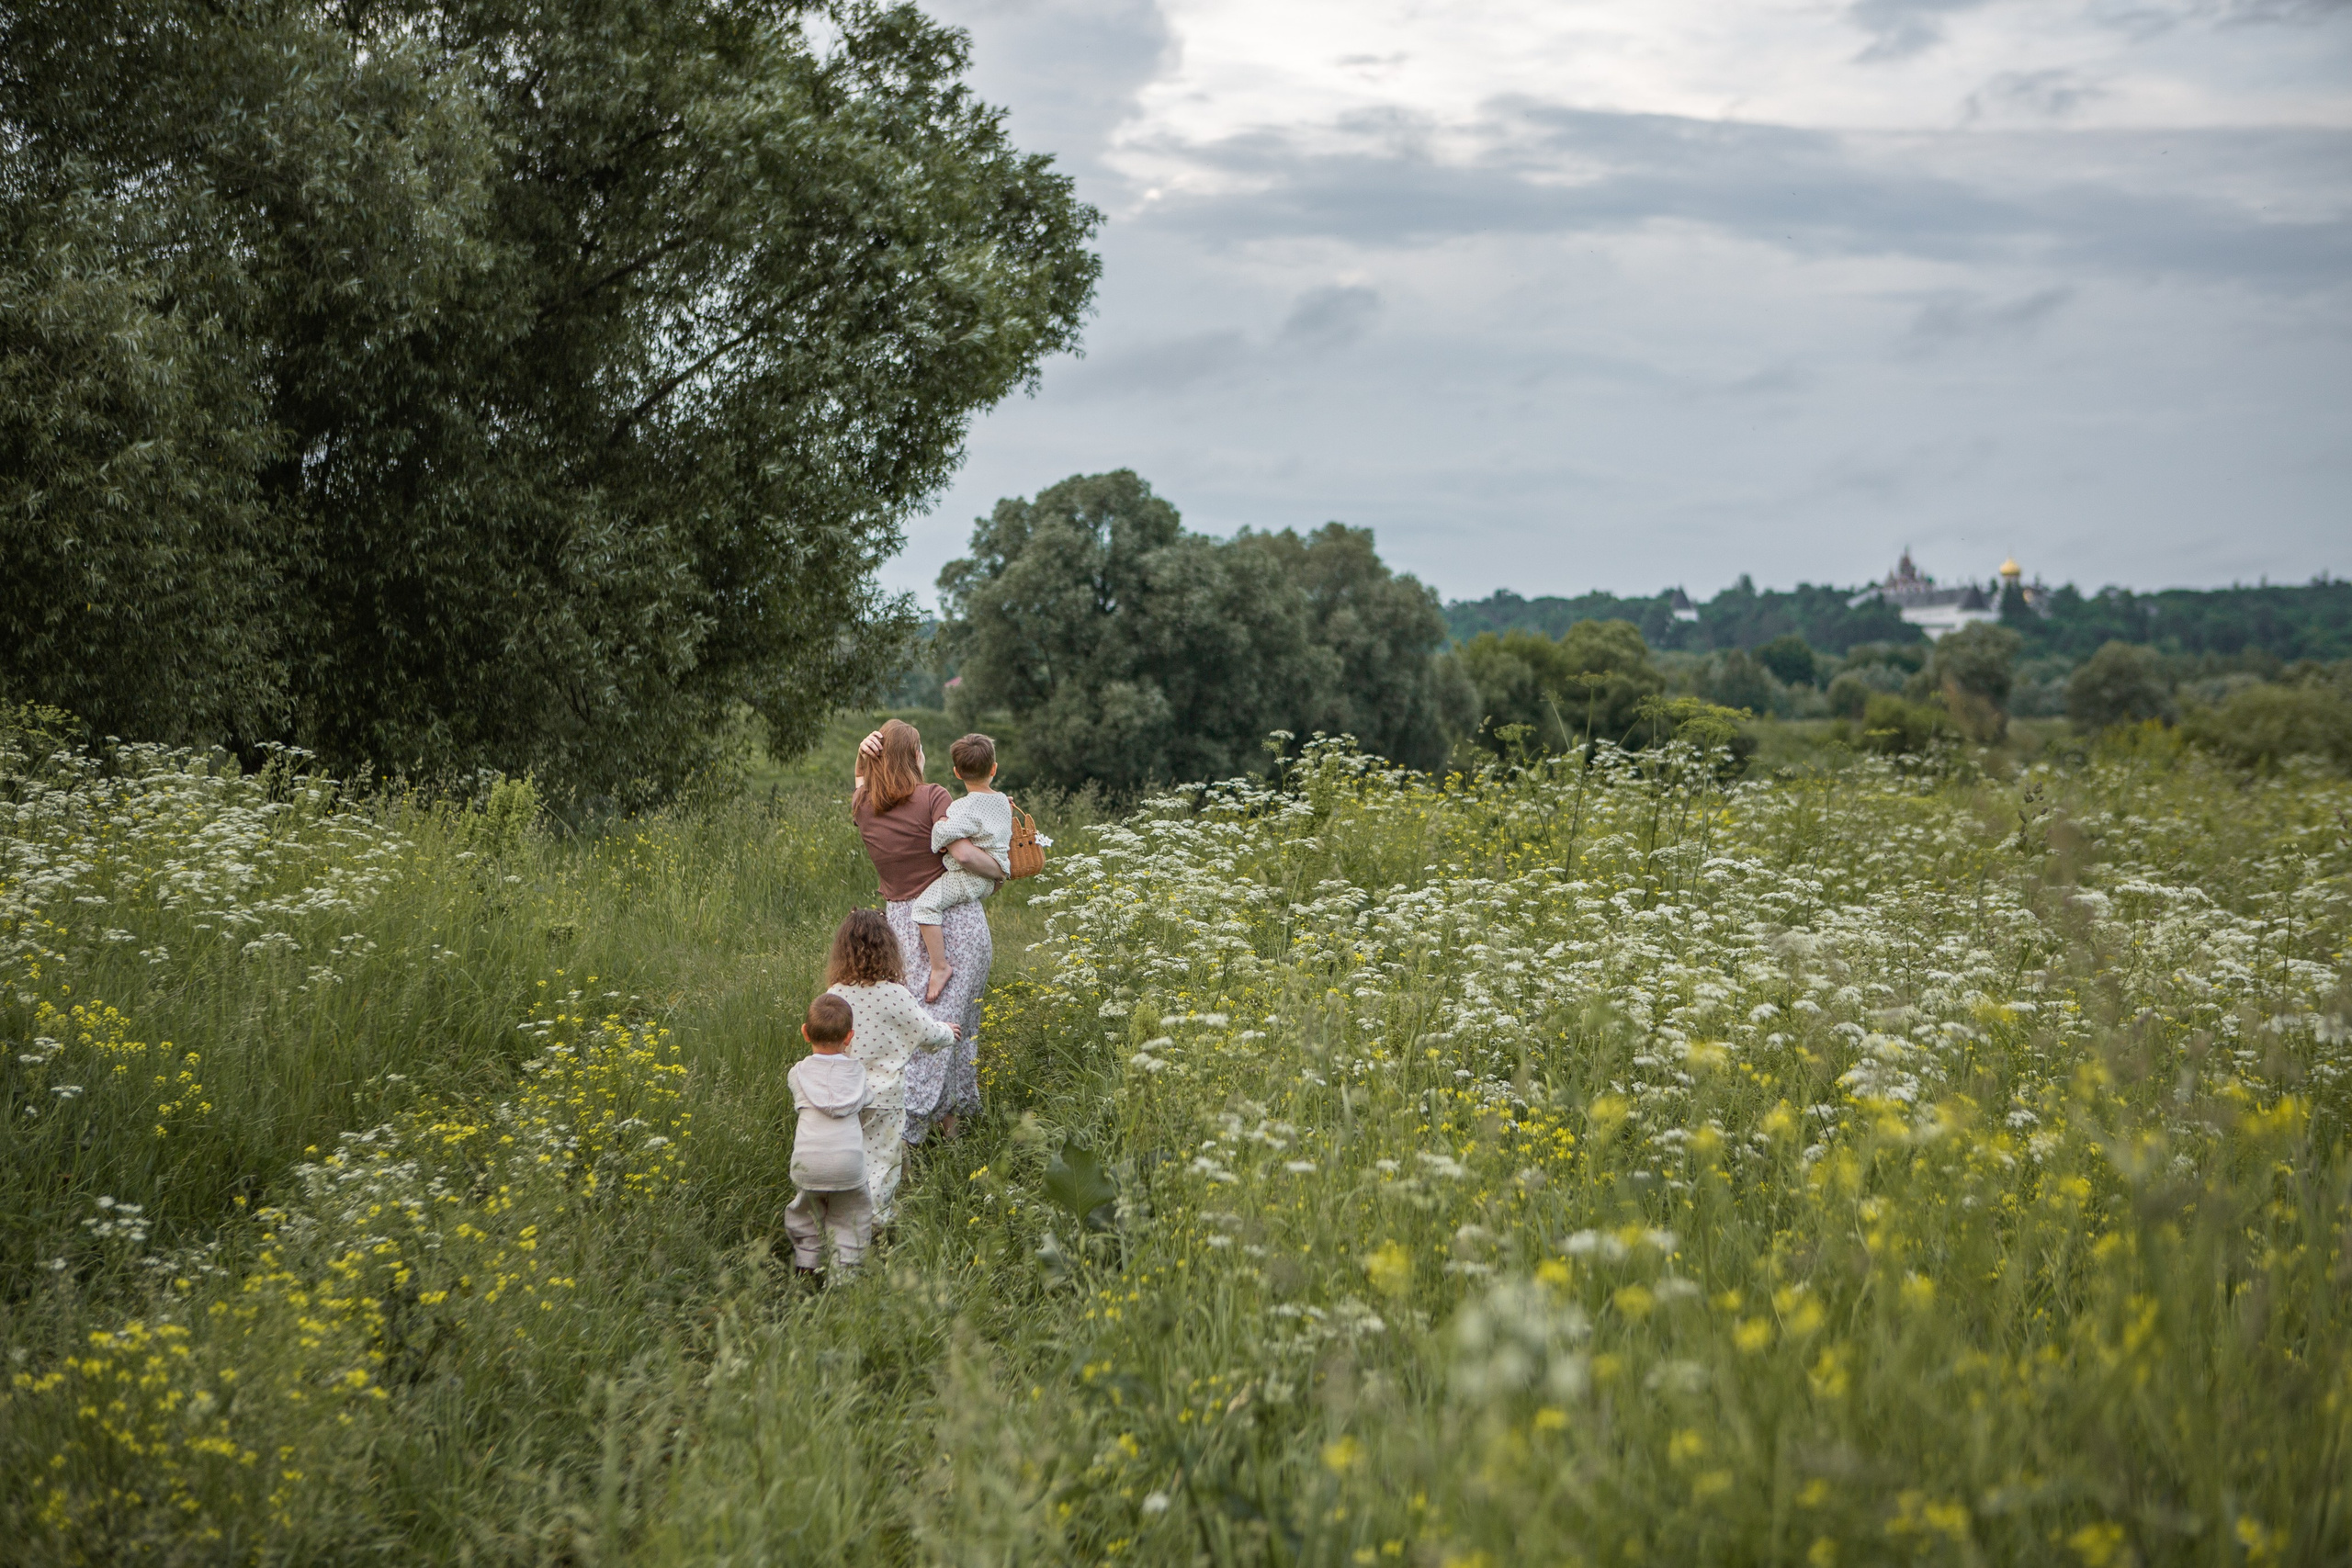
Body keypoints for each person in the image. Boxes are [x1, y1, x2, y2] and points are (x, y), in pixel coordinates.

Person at [851, 719, 1001, 1142]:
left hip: (901, 927)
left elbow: (861, 782)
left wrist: (863, 755)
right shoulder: (932, 795)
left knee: (923, 1028)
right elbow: (964, 853)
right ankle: (905, 1131)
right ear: (914, 757)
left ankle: (947, 1134)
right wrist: (1000, 871)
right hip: (954, 925)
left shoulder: (863, 804)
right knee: (948, 1029)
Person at [822, 908, 959, 1220]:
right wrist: (948, 1033)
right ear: (888, 949)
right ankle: (875, 1226)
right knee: (882, 1162)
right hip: (885, 1098)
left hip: (844, 1094)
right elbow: (925, 1031)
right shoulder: (895, 994)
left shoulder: (836, 994)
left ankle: (841, 1219)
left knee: (850, 1159)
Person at [910, 733, 1012, 1002]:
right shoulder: (1004, 800)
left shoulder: (962, 808)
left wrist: (940, 826)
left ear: (956, 773)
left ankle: (940, 967)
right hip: (993, 874)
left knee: (923, 906)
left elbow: (944, 836)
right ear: (994, 769)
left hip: (969, 877)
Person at [784, 993, 871, 1280]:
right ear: (849, 1037)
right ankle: (844, 1275)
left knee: (806, 1212)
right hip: (848, 1165)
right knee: (850, 1216)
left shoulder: (797, 1074)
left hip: (807, 1163)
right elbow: (866, 1101)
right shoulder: (858, 1074)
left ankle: (807, 1264)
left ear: (805, 1032)